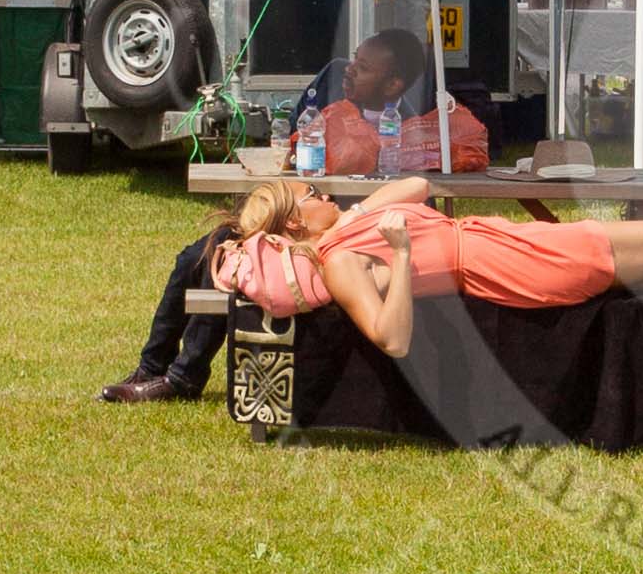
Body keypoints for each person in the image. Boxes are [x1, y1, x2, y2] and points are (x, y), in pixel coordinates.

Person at [98, 29, 430, 404]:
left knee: (225, 256)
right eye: (354, 59)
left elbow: (408, 196)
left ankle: (181, 378)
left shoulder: (410, 132)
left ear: (393, 84)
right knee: (195, 256)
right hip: (304, 223)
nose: (349, 70)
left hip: (336, 244)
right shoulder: (333, 106)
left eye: (364, 67)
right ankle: (152, 367)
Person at [229, 178, 643, 356]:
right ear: (295, 223)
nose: (325, 196)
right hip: (516, 265)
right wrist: (401, 255)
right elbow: (390, 335)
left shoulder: (346, 230)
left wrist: (352, 216)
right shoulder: (344, 261)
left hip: (509, 249)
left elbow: (413, 187)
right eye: (313, 197)